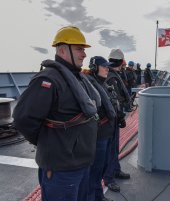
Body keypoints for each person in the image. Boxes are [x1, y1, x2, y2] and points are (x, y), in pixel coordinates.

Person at [13, 26, 100, 201]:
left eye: (83, 49)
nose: (84, 54)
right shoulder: (48, 80)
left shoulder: (77, 78)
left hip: (82, 163)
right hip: (62, 169)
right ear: (62, 50)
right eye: (79, 49)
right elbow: (23, 119)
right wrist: (49, 142)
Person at [84, 56, 118, 201]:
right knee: (95, 170)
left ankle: (98, 196)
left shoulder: (101, 83)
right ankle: (93, 197)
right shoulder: (89, 85)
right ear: (94, 68)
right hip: (99, 135)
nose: (107, 69)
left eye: (108, 66)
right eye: (104, 66)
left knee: (102, 167)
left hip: (107, 132)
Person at [103, 48, 131, 192]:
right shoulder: (111, 77)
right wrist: (120, 117)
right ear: (120, 61)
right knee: (110, 149)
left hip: (112, 118)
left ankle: (115, 170)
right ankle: (108, 178)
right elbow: (113, 101)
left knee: (114, 148)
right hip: (110, 119)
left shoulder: (112, 74)